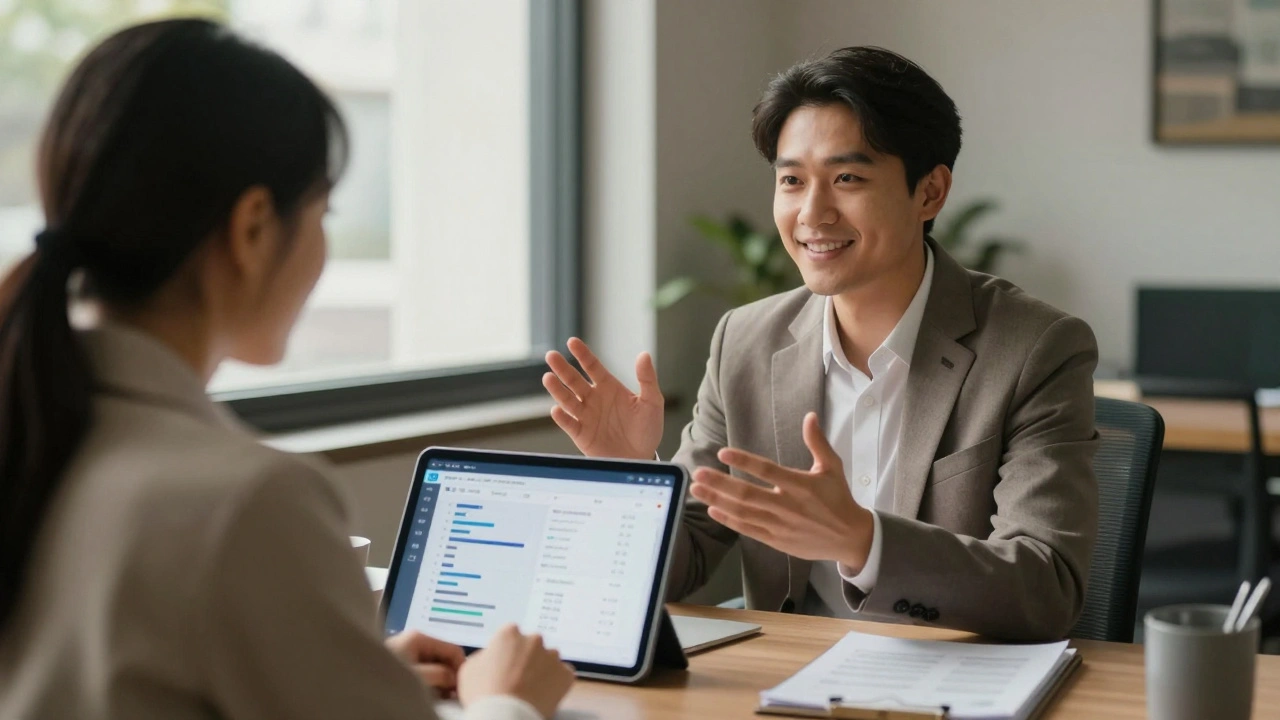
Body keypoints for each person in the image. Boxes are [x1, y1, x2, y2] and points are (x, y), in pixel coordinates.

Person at [0, 19, 572, 720]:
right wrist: (508, 702)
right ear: (251, 228)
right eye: (323, 210)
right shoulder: (248, 502)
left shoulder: (33, 428)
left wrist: (347, 672)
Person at [543, 46, 1098, 642]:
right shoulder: (746, 342)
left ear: (930, 192)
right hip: (788, 678)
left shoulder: (1034, 347)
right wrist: (630, 479)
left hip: (951, 684)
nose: (812, 213)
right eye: (791, 181)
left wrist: (863, 540)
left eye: (848, 178)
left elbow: (1047, 588)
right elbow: (683, 564)